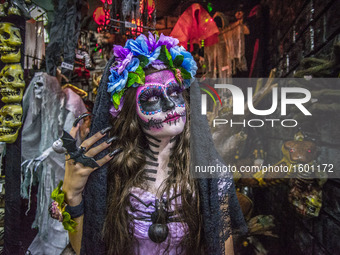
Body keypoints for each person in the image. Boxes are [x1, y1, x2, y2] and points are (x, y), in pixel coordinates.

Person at [52, 32, 246, 255]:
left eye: (175, 92)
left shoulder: (210, 176)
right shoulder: (110, 173)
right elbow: (86, 249)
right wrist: (73, 196)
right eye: (152, 98)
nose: (169, 105)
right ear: (130, 111)